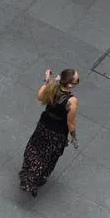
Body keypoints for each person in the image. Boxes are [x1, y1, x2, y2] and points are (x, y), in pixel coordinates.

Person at [19, 68, 79, 197]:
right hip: (57, 132)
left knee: (36, 148)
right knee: (48, 156)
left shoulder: (53, 88)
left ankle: (28, 172)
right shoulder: (71, 101)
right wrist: (73, 137)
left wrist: (48, 80)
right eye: (77, 81)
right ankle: (35, 179)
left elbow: (40, 96)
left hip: (44, 126)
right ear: (70, 84)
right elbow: (71, 123)